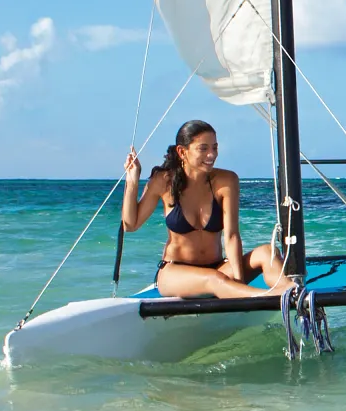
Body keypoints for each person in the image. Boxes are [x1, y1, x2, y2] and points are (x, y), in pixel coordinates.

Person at [122, 120, 294, 299]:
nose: (211, 154)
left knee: (268, 252)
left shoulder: (226, 180)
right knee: (214, 279)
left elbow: (232, 236)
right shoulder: (163, 181)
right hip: (175, 274)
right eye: (203, 149)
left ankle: (291, 292)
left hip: (219, 268)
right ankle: (271, 298)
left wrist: (238, 280)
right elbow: (130, 224)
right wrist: (132, 180)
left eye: (215, 147)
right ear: (182, 151)